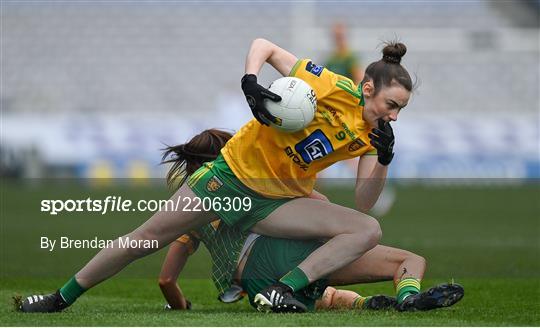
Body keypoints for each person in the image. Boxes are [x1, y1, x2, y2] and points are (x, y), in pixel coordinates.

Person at [19, 38, 422, 313]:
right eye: (391, 104)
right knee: (145, 239)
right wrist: (250, 81)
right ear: (367, 87)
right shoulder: (330, 85)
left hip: (279, 204)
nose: (394, 116)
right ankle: (60, 298)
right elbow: (263, 46)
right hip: (229, 180)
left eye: (400, 109)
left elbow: (366, 200)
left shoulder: (373, 136)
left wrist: (384, 158)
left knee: (367, 228)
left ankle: (283, 288)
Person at [157, 130, 464, 312]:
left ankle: (361, 304)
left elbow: (166, 280)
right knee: (407, 259)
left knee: (322, 292)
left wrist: (180, 305)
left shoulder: (189, 212)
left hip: (254, 281)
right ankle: (408, 296)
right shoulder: (250, 180)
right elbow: (322, 205)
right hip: (277, 253)